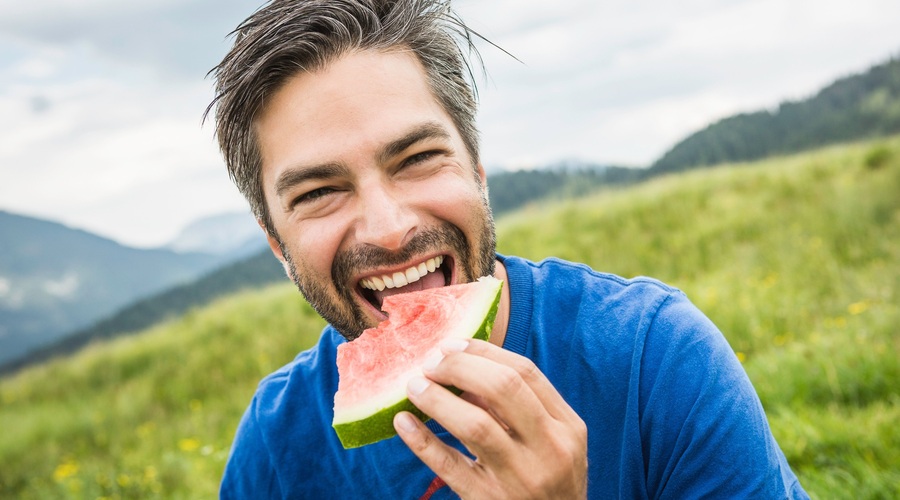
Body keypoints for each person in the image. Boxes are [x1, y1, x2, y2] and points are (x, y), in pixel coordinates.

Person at [208, 1, 808, 498]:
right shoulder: (275, 446)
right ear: (277, 244)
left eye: (417, 158)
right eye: (319, 191)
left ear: (476, 172)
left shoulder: (656, 357)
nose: (388, 229)